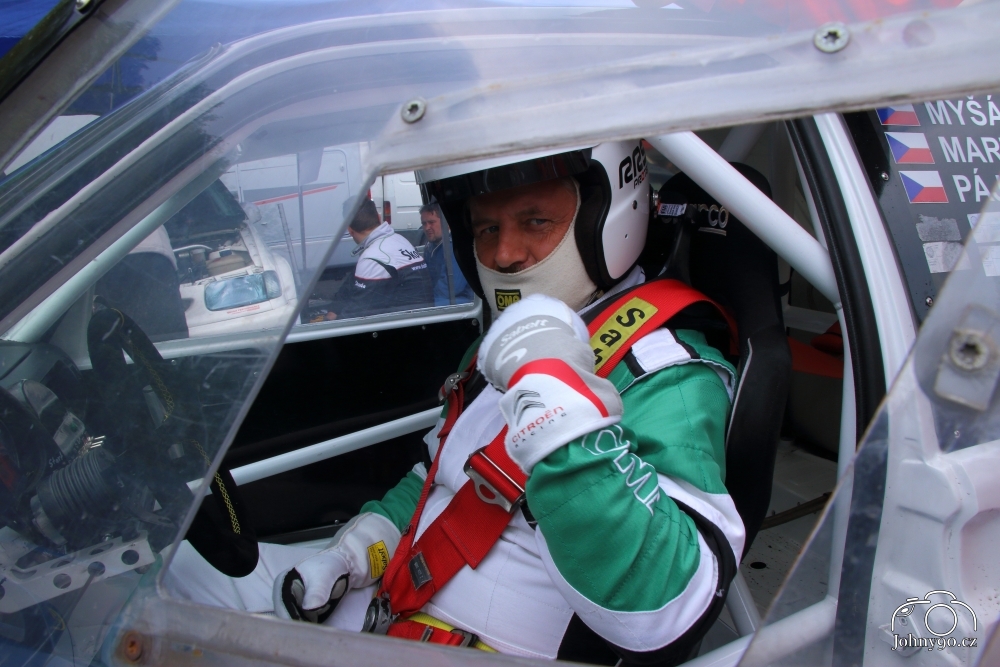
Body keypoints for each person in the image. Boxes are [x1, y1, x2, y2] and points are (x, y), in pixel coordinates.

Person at [167, 141, 744, 666]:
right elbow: (436, 476)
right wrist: (355, 552)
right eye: (486, 229)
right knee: (176, 572)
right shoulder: (495, 351)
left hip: (481, 647)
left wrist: (559, 412)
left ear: (606, 216)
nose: (505, 254)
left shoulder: (666, 372)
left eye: (535, 221)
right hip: (394, 601)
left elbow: (672, 609)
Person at [327, 199, 432, 319]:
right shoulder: (399, 240)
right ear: (378, 217)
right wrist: (334, 309)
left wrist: (330, 322)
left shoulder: (373, 258)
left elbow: (358, 314)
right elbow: (351, 283)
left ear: (350, 230)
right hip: (419, 318)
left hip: (405, 323)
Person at [419, 202, 474, 306]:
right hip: (438, 298)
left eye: (431, 222)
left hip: (459, 302)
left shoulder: (455, 247)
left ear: (446, 223)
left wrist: (424, 300)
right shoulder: (430, 246)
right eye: (424, 223)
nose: (427, 228)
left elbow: (451, 288)